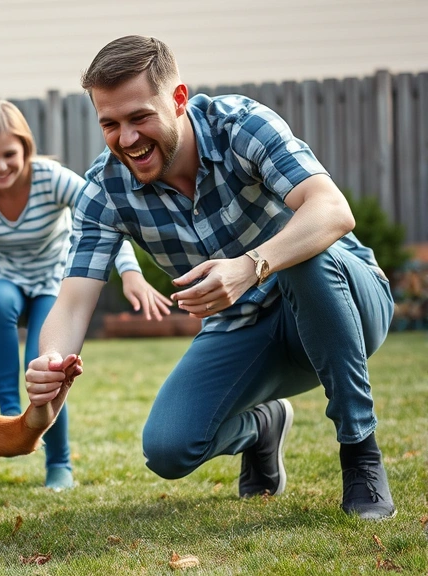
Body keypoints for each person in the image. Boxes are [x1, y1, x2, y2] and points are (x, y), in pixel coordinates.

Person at [26, 36, 396, 519]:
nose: (127, 139)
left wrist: (250, 266)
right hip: (245, 330)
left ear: (179, 99)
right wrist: (50, 361)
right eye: (110, 124)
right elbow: (73, 301)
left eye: (140, 117)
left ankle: (360, 453)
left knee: (306, 255)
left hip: (344, 302)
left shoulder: (240, 126)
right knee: (168, 448)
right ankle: (262, 427)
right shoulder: (105, 189)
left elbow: (331, 210)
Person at [0, 99, 171, 491]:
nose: (0, 167)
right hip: (4, 277)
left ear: (25, 150)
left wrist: (131, 272)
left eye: (9, 155)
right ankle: (7, 409)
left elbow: (105, 218)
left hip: (55, 278)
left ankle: (59, 463)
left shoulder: (50, 179)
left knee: (48, 361)